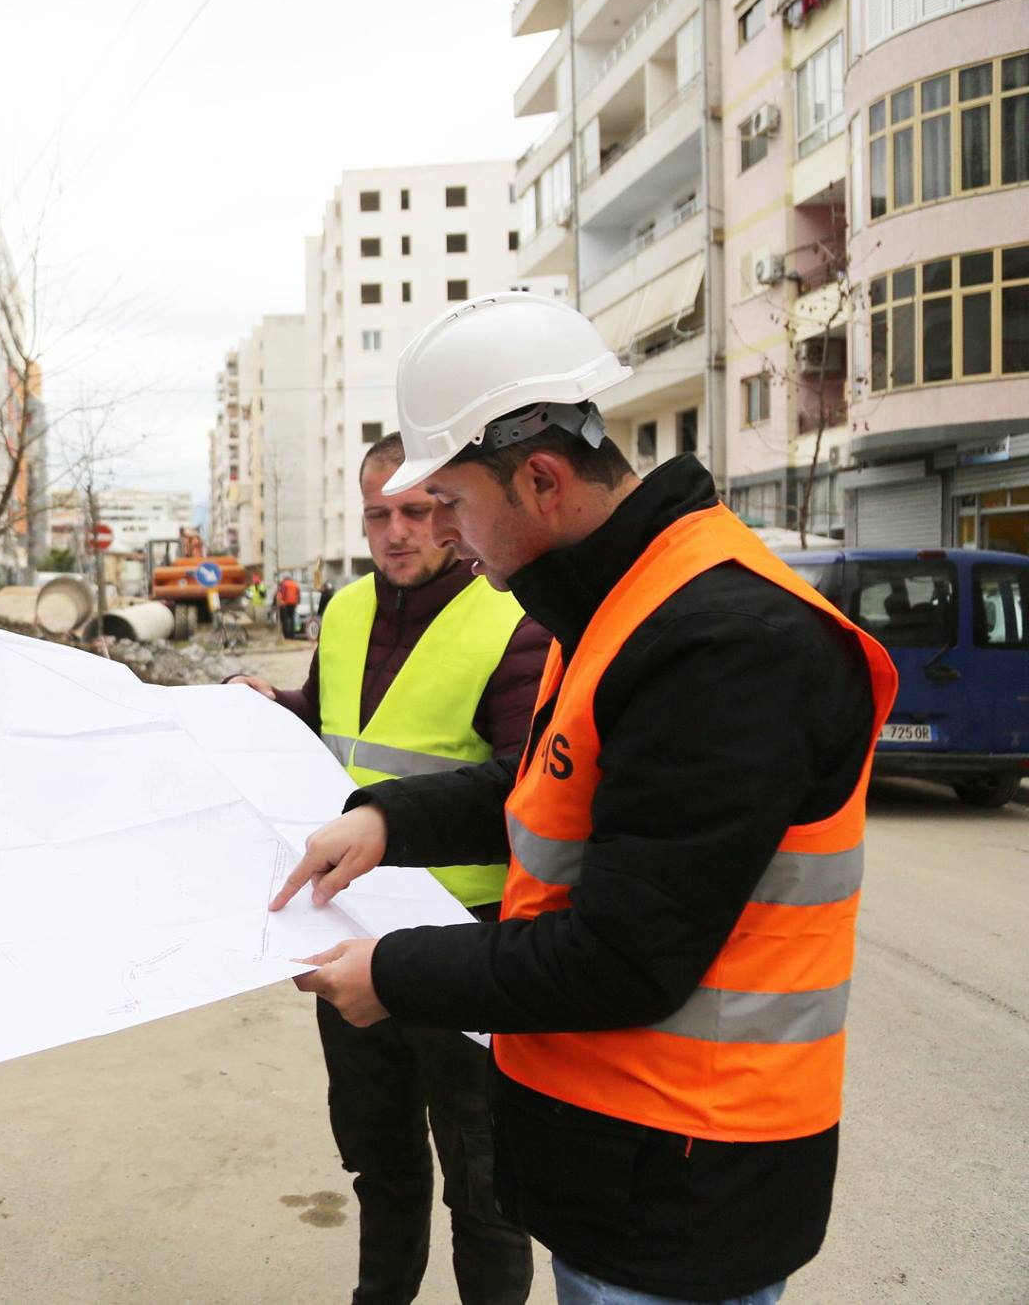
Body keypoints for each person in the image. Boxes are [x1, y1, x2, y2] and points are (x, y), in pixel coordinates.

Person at [274, 292, 895, 1305]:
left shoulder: (722, 643)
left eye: (454, 507)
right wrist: (385, 820)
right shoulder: (622, 603)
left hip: (688, 1187)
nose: (449, 539)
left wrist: (390, 970)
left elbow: (622, 957)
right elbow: (544, 788)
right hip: (621, 1163)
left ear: (540, 480)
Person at [229, 434, 547, 1305]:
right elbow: (339, 728)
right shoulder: (344, 611)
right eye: (379, 514)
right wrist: (276, 711)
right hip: (352, 929)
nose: (398, 531)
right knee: (380, 1158)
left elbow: (527, 791)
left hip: (468, 949)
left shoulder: (509, 620)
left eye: (417, 510)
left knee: (484, 1187)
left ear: (449, 510)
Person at [275, 573, 302, 640]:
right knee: (292, 620)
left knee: (286, 620)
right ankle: (292, 635)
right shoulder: (295, 584)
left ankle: (287, 636)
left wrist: (282, 602)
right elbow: (298, 593)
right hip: (293, 604)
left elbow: (282, 593)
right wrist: (298, 602)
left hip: (285, 604)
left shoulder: (284, 584)